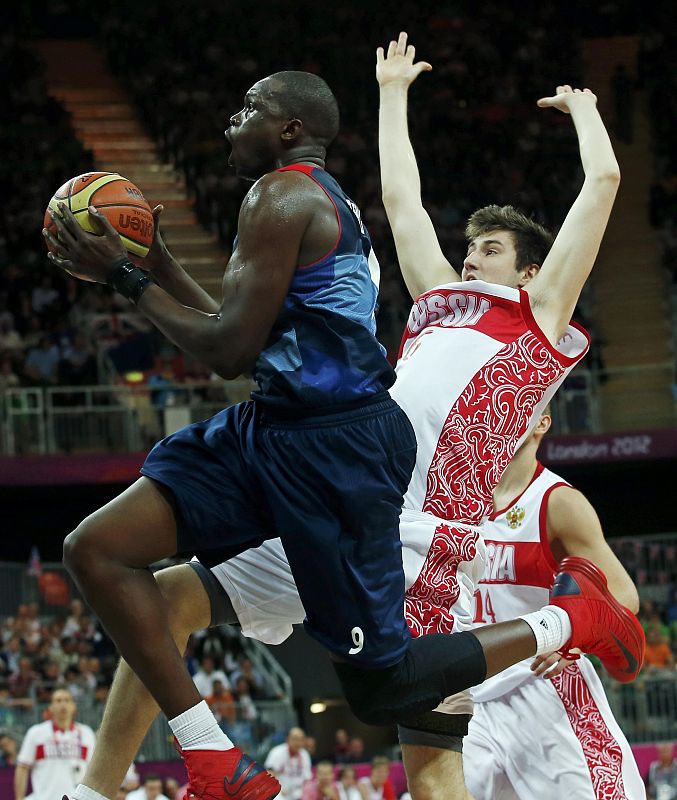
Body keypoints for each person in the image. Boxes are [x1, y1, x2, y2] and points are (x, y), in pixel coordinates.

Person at [49, 37, 643, 800]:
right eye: (469, 249)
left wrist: (588, 113)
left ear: (527, 271)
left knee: (421, 755)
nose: (468, 260)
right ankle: (96, 790)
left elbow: (602, 181)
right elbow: (401, 201)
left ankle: (571, 620)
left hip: (421, 526)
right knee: (162, 599)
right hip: (336, 491)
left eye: (488, 251)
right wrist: (391, 91)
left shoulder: (540, 319)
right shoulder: (437, 305)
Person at [462, 410, 646, 799]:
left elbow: (625, 596)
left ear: (542, 421)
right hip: (466, 695)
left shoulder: (557, 502)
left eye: (518, 406)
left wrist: (574, 638)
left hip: (541, 686)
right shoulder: (457, 499)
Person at [14, 687, 96, 800]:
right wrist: (19, 798)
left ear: (73, 706)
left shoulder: (86, 733)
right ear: (50, 707)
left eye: (67, 700)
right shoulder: (36, 733)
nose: (63, 704)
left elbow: (93, 771)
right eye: (58, 700)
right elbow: (22, 767)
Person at [264, 727, 313, 800]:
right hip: (280, 792)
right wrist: (278, 790)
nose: (298, 743)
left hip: (299, 791)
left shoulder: (305, 754)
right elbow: (268, 774)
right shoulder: (277, 752)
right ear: (288, 739)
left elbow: (307, 778)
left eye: (301, 740)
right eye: (295, 739)